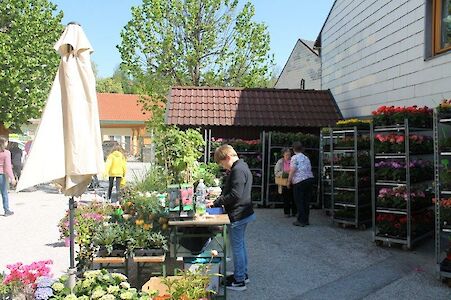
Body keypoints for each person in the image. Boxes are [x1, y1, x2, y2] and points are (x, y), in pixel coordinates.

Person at [207, 144, 255, 291]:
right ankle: (242, 275)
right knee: (240, 245)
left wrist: (216, 202)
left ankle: (239, 280)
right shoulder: (242, 167)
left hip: (238, 214)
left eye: (222, 163)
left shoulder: (238, 170)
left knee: (237, 247)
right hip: (243, 213)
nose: (224, 167)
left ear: (228, 157)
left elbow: (235, 195)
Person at [287, 142, 314, 227]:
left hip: (299, 181)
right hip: (309, 179)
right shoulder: (306, 157)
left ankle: (301, 220)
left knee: (299, 201)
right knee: (306, 200)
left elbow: (292, 170)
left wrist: (289, 181)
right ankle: (306, 219)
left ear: (293, 149)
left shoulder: (294, 158)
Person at [274, 148, 296, 217]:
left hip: (294, 181)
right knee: (286, 198)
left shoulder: (293, 160)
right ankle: (287, 212)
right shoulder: (280, 162)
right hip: (284, 182)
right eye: (286, 155)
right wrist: (285, 173)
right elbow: (276, 172)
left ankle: (294, 212)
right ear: (283, 155)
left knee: (294, 198)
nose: (288, 156)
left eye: (289, 154)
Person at [0, 137, 16, 216]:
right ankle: (6, 210)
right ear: (2, 143)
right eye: (6, 142)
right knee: (4, 193)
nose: (7, 143)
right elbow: (8, 167)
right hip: (1, 175)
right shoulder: (6, 153)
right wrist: (12, 177)